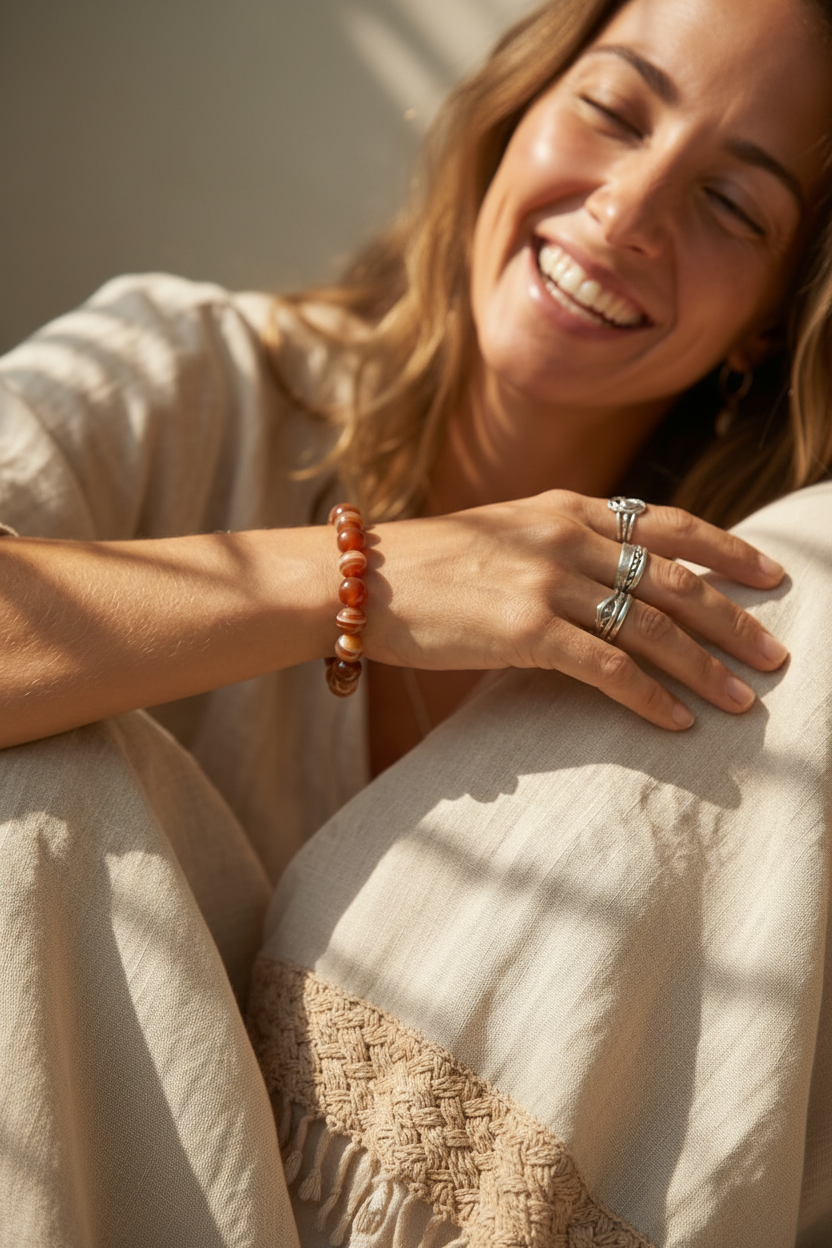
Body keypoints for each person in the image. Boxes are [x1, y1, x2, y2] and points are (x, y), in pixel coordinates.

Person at [0, 0, 831, 1242]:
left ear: (770, 314)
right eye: (612, 110)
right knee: (37, 774)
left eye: (732, 205)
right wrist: (375, 580)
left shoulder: (764, 633)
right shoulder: (184, 378)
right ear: (512, 120)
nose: (627, 211)